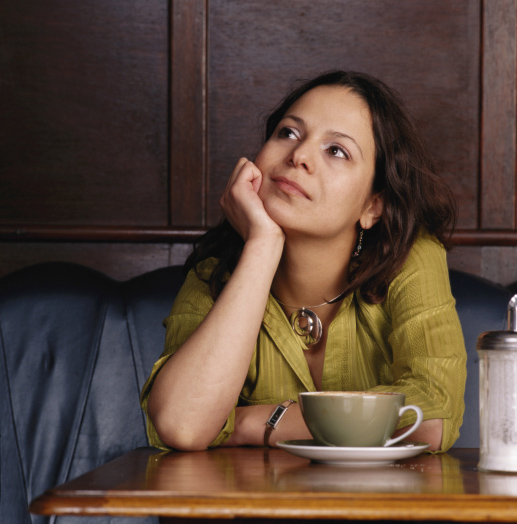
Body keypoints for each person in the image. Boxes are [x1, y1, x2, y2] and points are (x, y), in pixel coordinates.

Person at [141, 70, 466, 453]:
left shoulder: (409, 257)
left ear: (372, 205)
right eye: (288, 133)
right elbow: (181, 424)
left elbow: (431, 416)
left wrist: (248, 423)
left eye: (337, 151)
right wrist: (261, 246)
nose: (299, 156)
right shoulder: (215, 275)